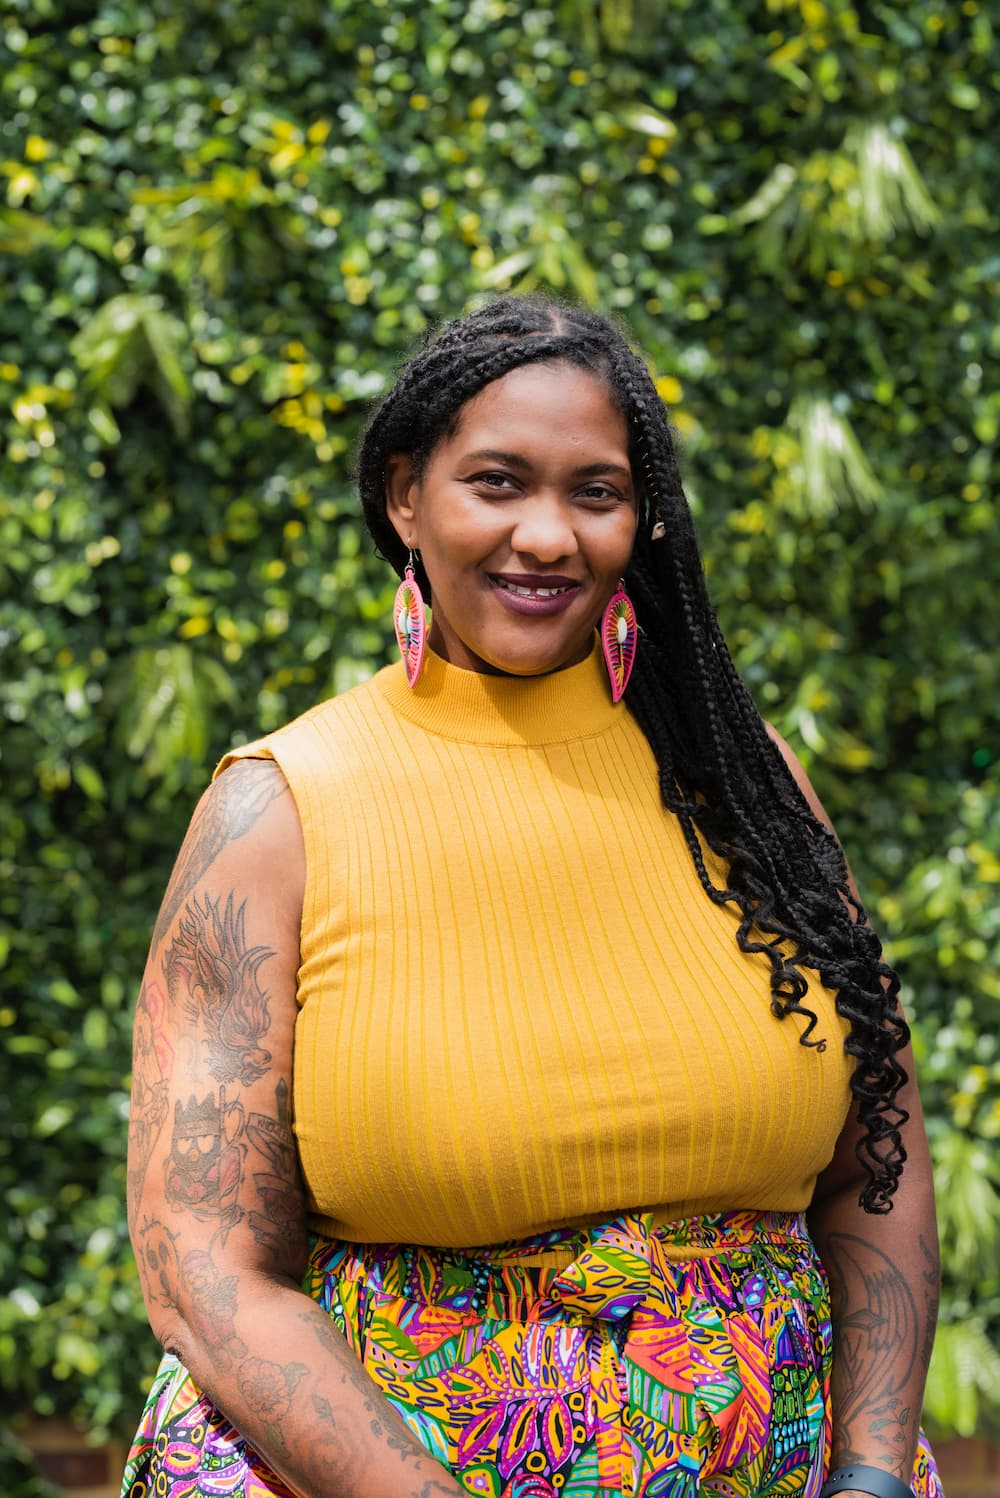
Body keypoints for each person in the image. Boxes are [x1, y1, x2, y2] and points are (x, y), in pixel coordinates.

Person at [120, 296, 944, 1498]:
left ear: (639, 518)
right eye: (496, 482)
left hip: (779, 1463)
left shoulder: (742, 780)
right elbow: (203, 1267)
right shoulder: (277, 813)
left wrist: (870, 1472)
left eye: (594, 492)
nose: (547, 536)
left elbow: (879, 1151)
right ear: (405, 496)